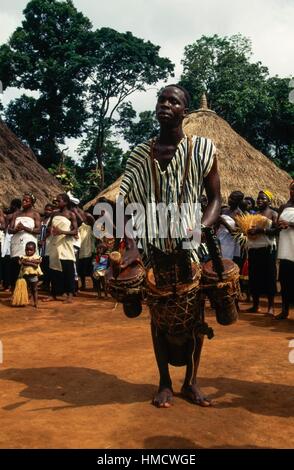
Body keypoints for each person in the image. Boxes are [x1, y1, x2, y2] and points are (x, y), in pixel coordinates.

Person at [118, 84, 221, 408]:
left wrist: (200, 228)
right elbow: (123, 204)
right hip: (153, 249)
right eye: (161, 99)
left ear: (184, 112)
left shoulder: (203, 149)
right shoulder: (138, 154)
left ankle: (191, 381)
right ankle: (164, 381)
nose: (165, 104)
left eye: (173, 101)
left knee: (195, 315)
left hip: (189, 249)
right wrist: (132, 245)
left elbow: (215, 199)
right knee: (159, 316)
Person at [247, 190, 278, 315]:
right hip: (254, 249)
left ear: (269, 201)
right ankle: (256, 305)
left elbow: (276, 231)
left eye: (263, 198)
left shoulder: (273, 214)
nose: (259, 200)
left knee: (269, 277)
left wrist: (261, 230)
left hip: (268, 249)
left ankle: (271, 306)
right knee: (254, 277)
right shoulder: (253, 214)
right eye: (258, 198)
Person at [47, 193, 78, 303]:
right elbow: (49, 227)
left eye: (59, 200)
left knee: (68, 270)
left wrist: (62, 232)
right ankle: (54, 293)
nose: (56, 202)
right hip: (54, 244)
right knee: (54, 270)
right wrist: (50, 230)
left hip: (65, 245)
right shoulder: (54, 214)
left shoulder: (71, 214)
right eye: (56, 200)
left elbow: (75, 231)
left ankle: (70, 295)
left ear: (65, 202)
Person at [8, 193, 41, 290]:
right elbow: (10, 230)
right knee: (16, 266)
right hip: (16, 244)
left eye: (27, 200)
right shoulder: (16, 214)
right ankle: (16, 291)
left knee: (28, 268)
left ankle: (28, 292)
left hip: (28, 245)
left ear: (32, 203)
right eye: (23, 200)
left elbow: (38, 230)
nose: (24, 202)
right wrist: (16, 230)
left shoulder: (35, 214)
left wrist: (25, 228)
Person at [276, 181, 294, 319]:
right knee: (285, 281)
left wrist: (290, 224)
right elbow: (276, 226)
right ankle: (285, 310)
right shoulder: (283, 207)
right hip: (285, 249)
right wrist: (279, 225)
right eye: (292, 189)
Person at [19, 241, 42, 308]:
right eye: (27, 250)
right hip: (25, 276)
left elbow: (37, 264)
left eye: (31, 250)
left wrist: (28, 262)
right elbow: (21, 262)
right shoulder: (23, 256)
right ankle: (25, 301)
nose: (28, 251)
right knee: (26, 289)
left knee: (34, 289)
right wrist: (32, 262)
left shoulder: (37, 257)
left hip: (33, 276)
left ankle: (36, 302)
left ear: (34, 250)